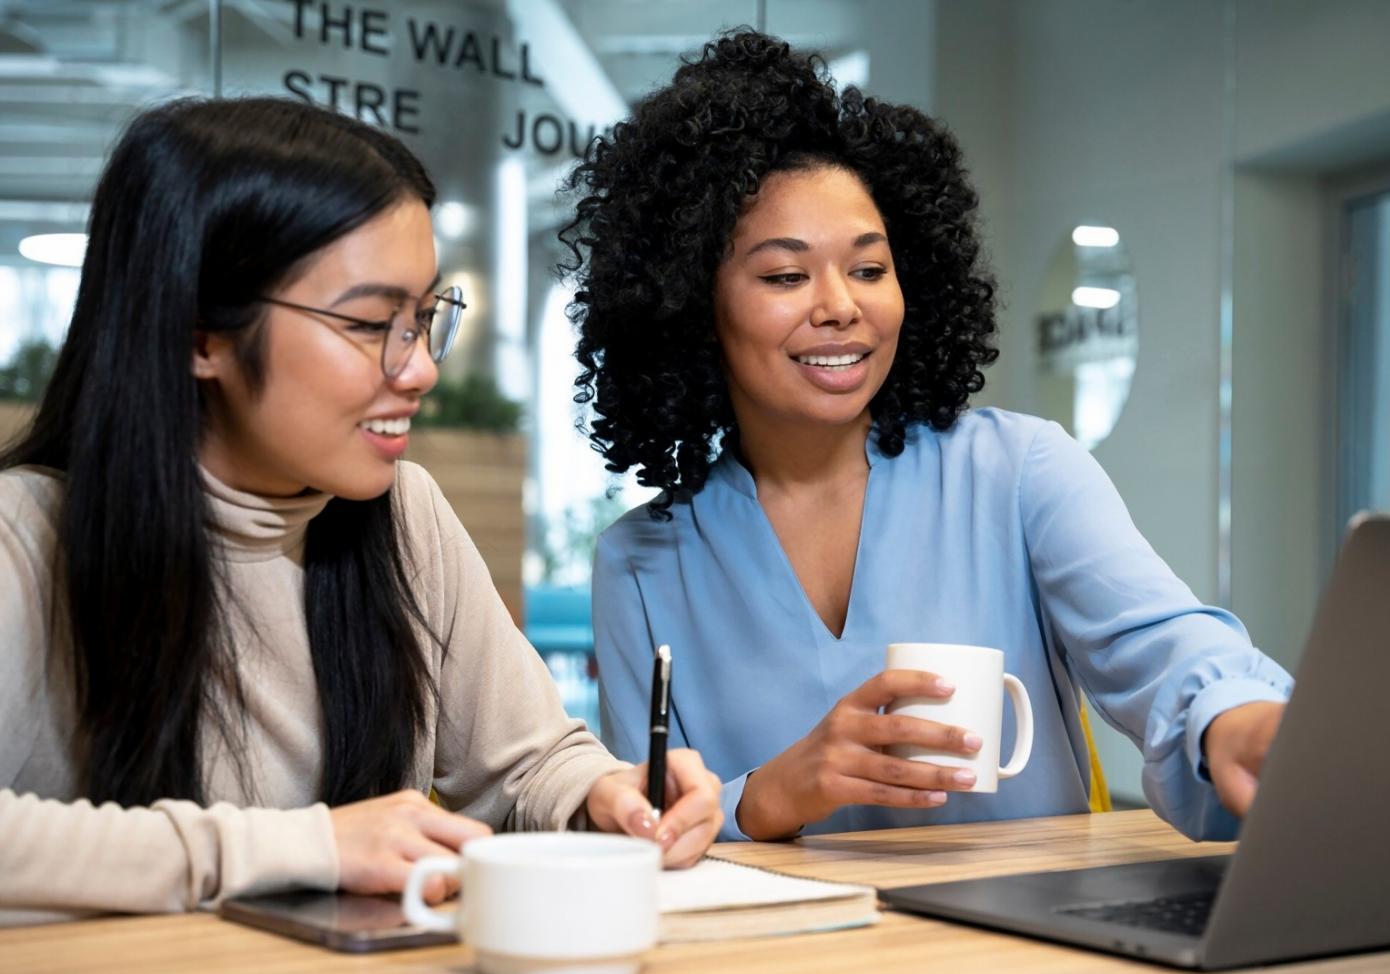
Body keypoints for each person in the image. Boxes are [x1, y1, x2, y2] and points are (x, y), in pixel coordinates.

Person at [0, 97, 721, 925]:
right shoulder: (28, 539)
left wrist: (606, 794)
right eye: (372, 322)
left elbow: (527, 762)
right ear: (201, 335)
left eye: (422, 321)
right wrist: (309, 847)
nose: (417, 371)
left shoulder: (402, 515)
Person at [563, 32, 1292, 844]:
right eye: (785, 275)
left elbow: (1159, 643)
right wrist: (763, 796)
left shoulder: (1018, 471)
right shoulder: (640, 565)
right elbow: (641, 821)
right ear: (693, 307)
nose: (841, 305)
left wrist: (1237, 717)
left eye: (870, 269)